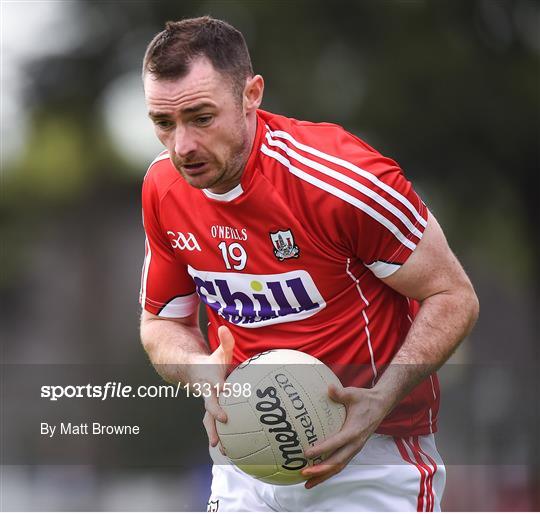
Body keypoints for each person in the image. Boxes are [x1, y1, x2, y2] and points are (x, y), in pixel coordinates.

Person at [138, 16, 479, 512]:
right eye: (163, 123)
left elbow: (453, 295)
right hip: (245, 460)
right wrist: (198, 371)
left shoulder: (343, 181)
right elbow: (160, 322)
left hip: (370, 459)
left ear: (251, 94)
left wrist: (382, 397)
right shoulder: (164, 188)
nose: (181, 145)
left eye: (201, 117)